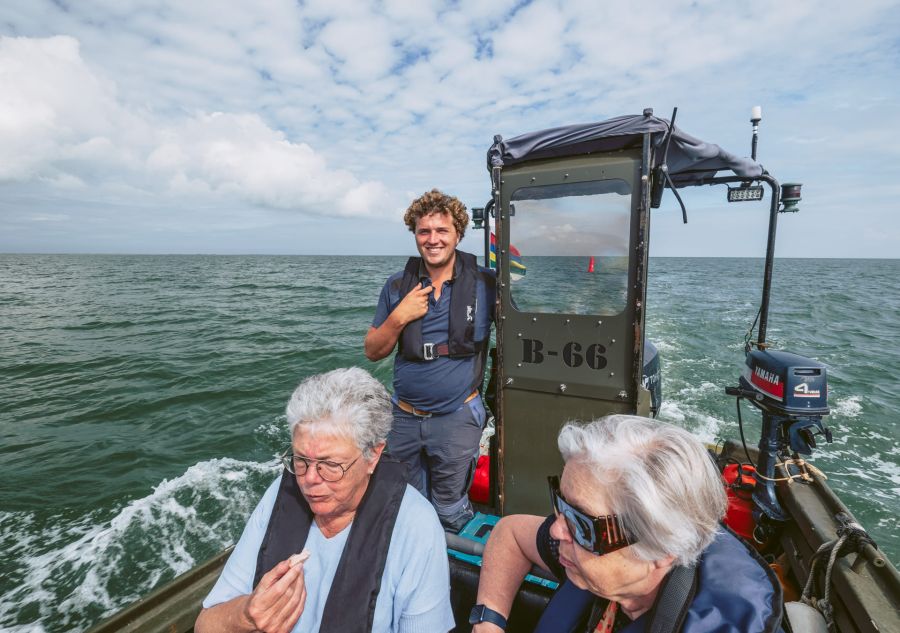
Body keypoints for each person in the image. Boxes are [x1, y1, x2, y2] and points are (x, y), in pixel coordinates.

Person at [195, 367, 455, 633]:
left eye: (330, 464)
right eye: (300, 460)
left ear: (373, 455)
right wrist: (246, 616)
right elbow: (205, 625)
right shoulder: (280, 494)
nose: (309, 479)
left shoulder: (416, 526)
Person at [470, 415, 783, 633]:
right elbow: (510, 534)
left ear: (660, 549)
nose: (556, 529)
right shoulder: (583, 554)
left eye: (581, 522)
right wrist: (489, 621)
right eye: (560, 503)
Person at [365, 189, 495, 532]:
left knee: (449, 509)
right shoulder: (396, 286)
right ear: (415, 234)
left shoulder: (486, 283)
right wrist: (399, 317)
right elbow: (373, 350)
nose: (432, 239)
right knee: (407, 506)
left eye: (442, 231)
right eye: (424, 231)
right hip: (403, 420)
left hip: (456, 419)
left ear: (458, 234)